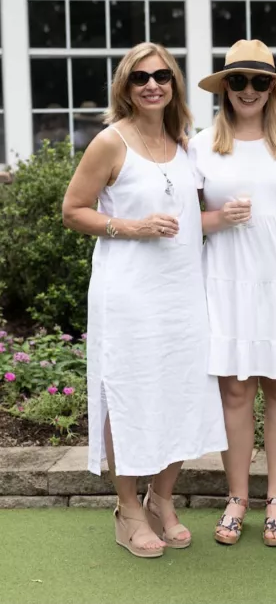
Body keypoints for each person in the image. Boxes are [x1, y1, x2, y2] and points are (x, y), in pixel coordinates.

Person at [62, 42, 227, 559]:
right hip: (128, 293)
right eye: (140, 78)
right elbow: (73, 210)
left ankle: (162, 498)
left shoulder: (185, 144)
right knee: (130, 393)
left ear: (174, 83)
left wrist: (235, 216)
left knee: (182, 392)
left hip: (182, 291)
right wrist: (130, 227)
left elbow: (188, 219)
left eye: (161, 75)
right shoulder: (110, 143)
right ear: (125, 87)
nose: (152, 84)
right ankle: (128, 509)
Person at [189, 40, 276, 547]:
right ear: (224, 88)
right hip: (225, 280)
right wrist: (218, 219)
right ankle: (237, 498)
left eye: (260, 81)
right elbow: (181, 223)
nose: (248, 90)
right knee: (235, 391)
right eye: (237, 81)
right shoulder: (200, 145)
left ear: (273, 89)